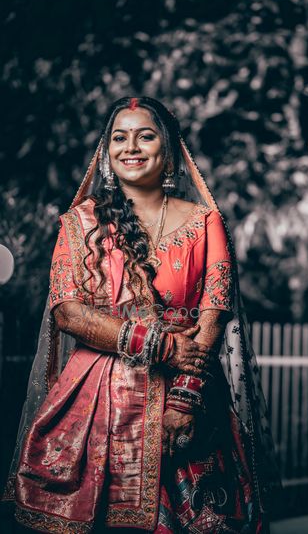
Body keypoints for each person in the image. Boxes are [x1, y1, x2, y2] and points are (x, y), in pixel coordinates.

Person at [3, 97, 280, 533]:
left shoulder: (205, 222)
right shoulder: (80, 224)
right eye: (119, 137)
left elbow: (214, 314)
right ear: (106, 152)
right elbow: (69, 314)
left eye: (145, 136)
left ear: (168, 149)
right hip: (99, 405)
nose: (130, 147)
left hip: (188, 398)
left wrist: (185, 399)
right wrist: (161, 346)